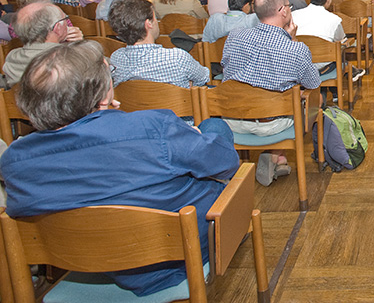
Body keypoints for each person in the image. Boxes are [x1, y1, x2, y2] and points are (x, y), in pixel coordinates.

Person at [0, 40, 239, 297]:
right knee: (214, 129)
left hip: (87, 260)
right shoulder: (153, 127)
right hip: (180, 256)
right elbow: (226, 165)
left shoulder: (14, 161)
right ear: (103, 95)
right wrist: (185, 138)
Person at [221, 0, 321, 185]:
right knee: (310, 100)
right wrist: (292, 39)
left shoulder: (234, 36)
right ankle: (275, 154)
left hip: (233, 118)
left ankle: (278, 158)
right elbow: (313, 83)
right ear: (283, 11)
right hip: (272, 125)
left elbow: (225, 67)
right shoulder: (295, 48)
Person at [108, 0, 209, 88]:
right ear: (149, 24)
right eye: (155, 18)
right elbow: (204, 77)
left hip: (132, 108)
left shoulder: (116, 58)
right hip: (177, 108)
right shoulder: (177, 58)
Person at [3, 1, 84, 84]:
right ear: (57, 28)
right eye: (65, 19)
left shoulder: (11, 60)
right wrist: (79, 46)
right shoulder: (68, 60)